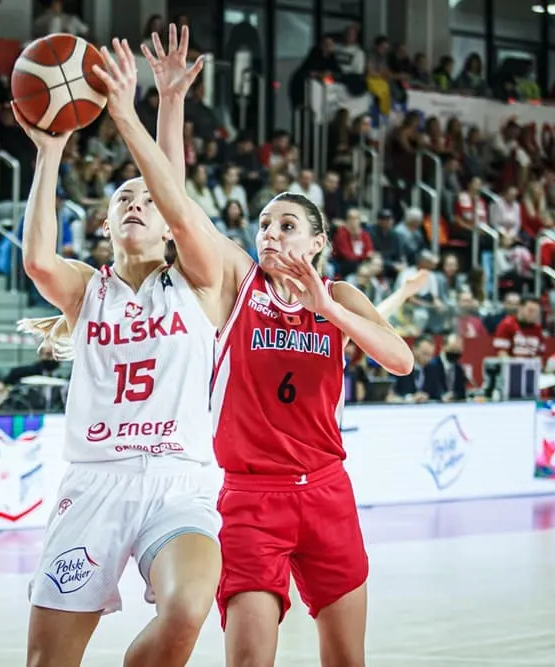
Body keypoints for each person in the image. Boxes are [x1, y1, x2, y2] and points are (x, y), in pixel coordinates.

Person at [103, 27, 414, 666]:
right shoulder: (238, 285)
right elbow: (178, 208)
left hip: (327, 491)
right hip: (250, 498)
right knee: (249, 660)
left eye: (287, 225)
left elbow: (401, 360)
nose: (270, 232)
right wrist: (169, 104)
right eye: (264, 223)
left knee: (347, 660)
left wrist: (330, 311)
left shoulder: (341, 297)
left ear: (318, 243)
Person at [13, 28, 222, 667]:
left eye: (147, 198)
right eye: (122, 198)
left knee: (187, 609)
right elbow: (38, 261)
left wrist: (165, 105)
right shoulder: (89, 290)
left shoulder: (199, 281)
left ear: (168, 222)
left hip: (179, 482)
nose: (136, 203)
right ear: (105, 225)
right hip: (95, 483)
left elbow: (177, 201)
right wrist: (50, 152)